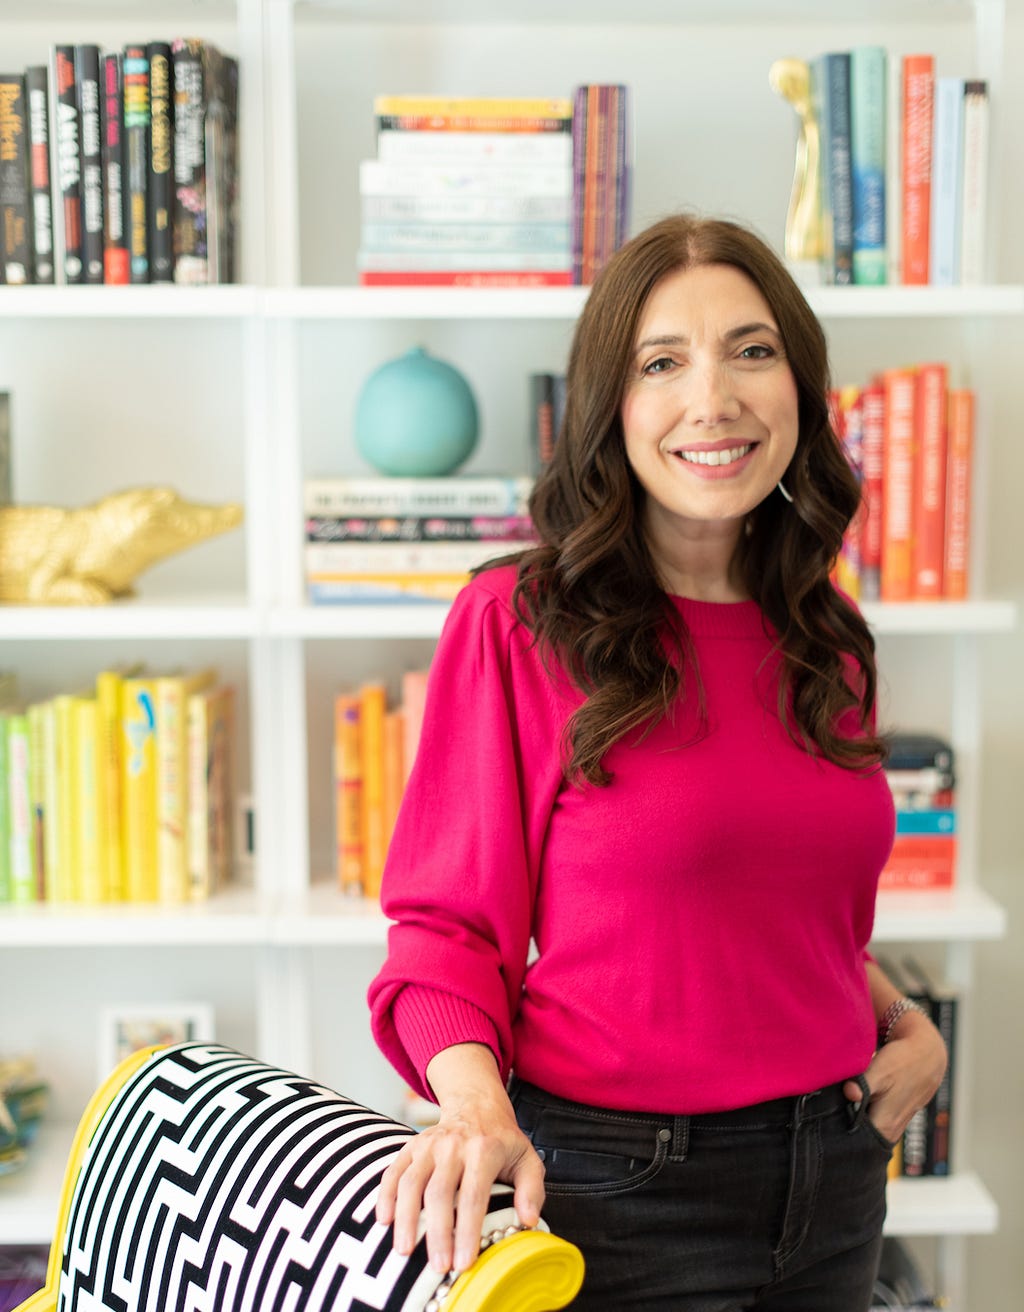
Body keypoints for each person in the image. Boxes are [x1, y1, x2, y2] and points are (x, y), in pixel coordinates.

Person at [366, 213, 948, 1310]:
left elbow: (778, 917)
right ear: (610, 407)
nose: (713, 399)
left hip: (833, 1174)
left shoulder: (828, 633)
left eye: (752, 349)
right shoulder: (519, 622)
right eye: (662, 362)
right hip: (612, 1193)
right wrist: (475, 1108)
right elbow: (445, 931)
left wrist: (904, 1027)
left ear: (798, 387)